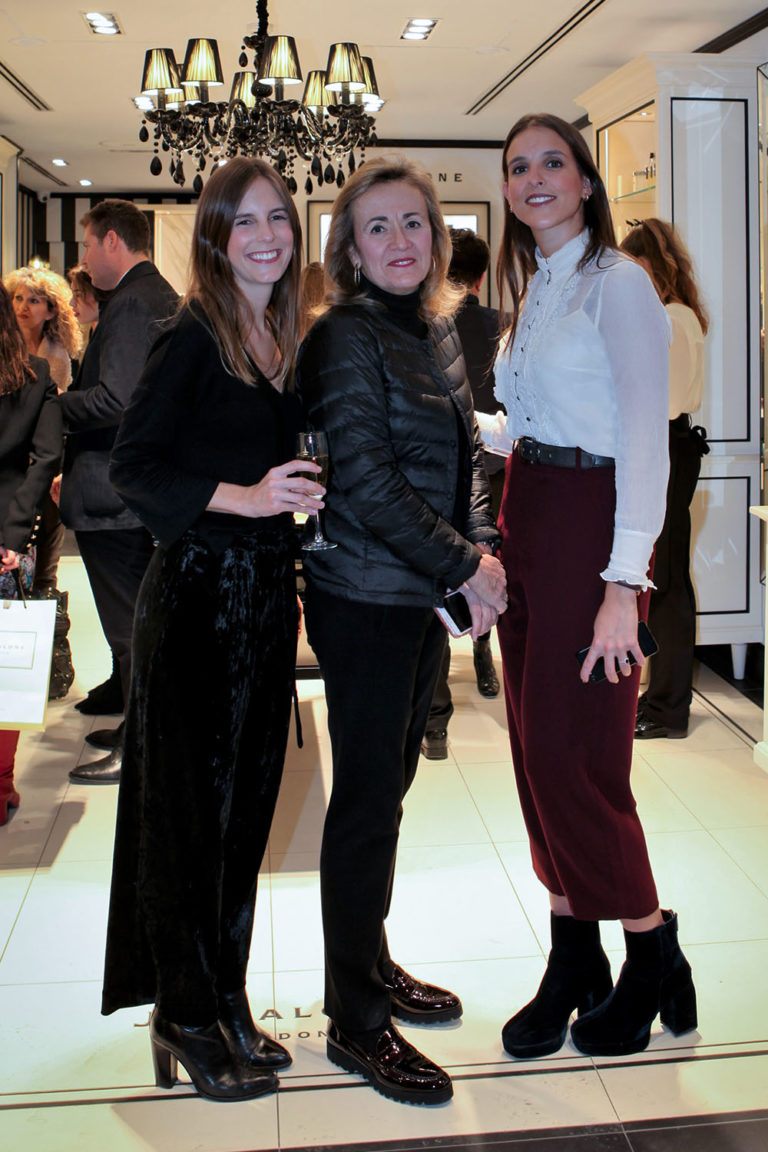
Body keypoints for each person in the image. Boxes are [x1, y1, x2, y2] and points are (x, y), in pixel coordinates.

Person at [101, 157, 322, 1101]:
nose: (266, 236)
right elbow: (134, 468)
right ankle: (183, 1011)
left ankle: (224, 997)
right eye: (246, 222)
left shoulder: (282, 334)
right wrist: (249, 495)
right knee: (188, 816)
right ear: (216, 239)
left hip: (264, 598)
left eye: (278, 218)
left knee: (246, 812)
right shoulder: (192, 332)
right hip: (195, 597)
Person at [479, 113, 697, 1060]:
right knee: (534, 754)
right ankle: (575, 955)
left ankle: (650, 951)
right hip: (529, 516)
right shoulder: (538, 286)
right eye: (518, 167)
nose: (534, 179)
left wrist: (623, 586)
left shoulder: (621, 285)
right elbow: (535, 422)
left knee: (578, 761)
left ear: (586, 180)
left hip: (592, 530)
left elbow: (643, 442)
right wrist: (460, 422)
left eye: (552, 163)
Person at [297, 156, 507, 1106]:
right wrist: (467, 567)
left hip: (416, 592)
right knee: (364, 806)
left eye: (413, 223)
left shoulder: (435, 328)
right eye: (375, 226)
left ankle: (370, 963)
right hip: (365, 598)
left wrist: (477, 550)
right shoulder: (343, 335)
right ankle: (355, 1018)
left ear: (438, 237)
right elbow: (368, 481)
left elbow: (463, 460)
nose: (398, 241)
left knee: (388, 797)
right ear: (348, 247)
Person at [59, 200, 177, 780]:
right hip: (134, 490)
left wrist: (52, 407)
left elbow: (118, 400)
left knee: (131, 629)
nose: (83, 259)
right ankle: (137, 730)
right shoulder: (155, 293)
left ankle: (142, 749)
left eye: (86, 245)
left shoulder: (131, 302)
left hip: (113, 490)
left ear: (112, 241)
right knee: (135, 626)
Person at [620, 219, 709, 740]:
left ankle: (668, 707)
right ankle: (660, 697)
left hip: (669, 448)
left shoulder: (672, 317)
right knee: (665, 574)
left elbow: (664, 402)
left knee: (669, 581)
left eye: (639, 269)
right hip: (671, 446)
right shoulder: (679, 314)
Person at [422, 227, 505, 760]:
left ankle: (435, 718)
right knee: (485, 560)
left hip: (438, 471)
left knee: (438, 573)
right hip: (493, 465)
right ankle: (482, 657)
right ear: (481, 277)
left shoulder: (426, 324)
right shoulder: (501, 323)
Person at [0, 284, 63, 823]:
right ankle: (1, 786)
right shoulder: (35, 377)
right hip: (9, 534)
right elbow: (45, 459)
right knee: (5, 666)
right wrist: (15, 534)